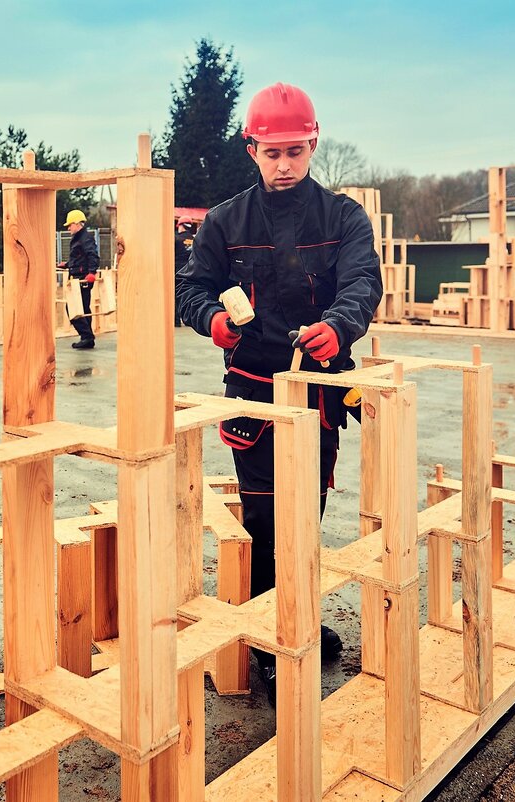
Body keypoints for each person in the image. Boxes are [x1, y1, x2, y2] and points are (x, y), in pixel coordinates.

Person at [176, 82, 383, 701]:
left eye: (296, 151)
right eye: (273, 153)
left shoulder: (342, 217)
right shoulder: (225, 221)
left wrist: (340, 327)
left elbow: (362, 282)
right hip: (254, 395)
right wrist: (209, 318)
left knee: (307, 517)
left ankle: (295, 618)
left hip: (318, 392)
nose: (285, 164)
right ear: (253, 149)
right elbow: (192, 287)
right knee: (265, 517)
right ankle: (270, 636)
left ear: (313, 144)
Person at [63, 209, 100, 349]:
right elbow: (79, 258)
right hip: (78, 277)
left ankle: (87, 336)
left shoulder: (85, 238)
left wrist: (92, 272)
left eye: (70, 224)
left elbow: (92, 256)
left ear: (78, 224)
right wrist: (67, 264)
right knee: (83, 308)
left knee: (72, 308)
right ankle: (87, 338)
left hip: (82, 279)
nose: (68, 227)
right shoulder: (79, 238)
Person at [174, 219, 198, 326]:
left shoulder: (176, 239)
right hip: (192, 270)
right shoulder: (196, 239)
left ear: (180, 226)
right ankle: (190, 321)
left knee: (175, 295)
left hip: (177, 270)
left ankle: (176, 321)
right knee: (190, 294)